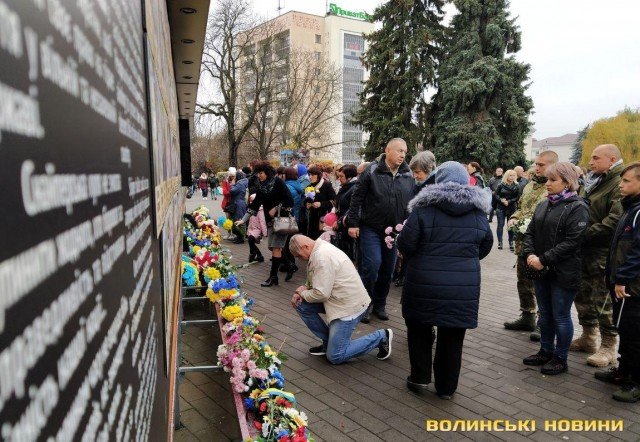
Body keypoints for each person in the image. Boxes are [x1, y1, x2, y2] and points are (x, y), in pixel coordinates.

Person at [397, 161, 493, 398]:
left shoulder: (424, 208)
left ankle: (419, 379)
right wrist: (465, 260)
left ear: (438, 180)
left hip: (423, 280)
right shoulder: (478, 212)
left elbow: (406, 244)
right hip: (462, 286)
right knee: (453, 337)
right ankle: (446, 388)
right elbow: (486, 244)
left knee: (419, 329)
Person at [521, 162, 590, 375]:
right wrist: (530, 254)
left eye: (553, 180)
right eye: (547, 179)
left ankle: (560, 358)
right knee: (546, 315)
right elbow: (530, 232)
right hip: (541, 269)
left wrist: (544, 259)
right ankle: (545, 350)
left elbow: (573, 242)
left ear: (568, 182)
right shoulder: (545, 204)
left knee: (560, 315)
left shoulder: (578, 207)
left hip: (563, 271)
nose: (548, 184)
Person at [288, 234, 393, 364]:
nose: (300, 259)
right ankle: (329, 342)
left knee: (335, 356)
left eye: (298, 255)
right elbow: (315, 279)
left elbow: (321, 294)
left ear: (305, 246)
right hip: (338, 301)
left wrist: (303, 293)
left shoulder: (322, 257)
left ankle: (381, 337)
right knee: (301, 304)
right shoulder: (318, 248)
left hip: (348, 308)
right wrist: (303, 290)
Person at [346, 138, 414, 322]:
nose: (402, 155)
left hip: (393, 232)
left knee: (388, 268)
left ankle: (380, 304)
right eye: (399, 150)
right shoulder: (372, 170)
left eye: (405, 152)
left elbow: (411, 203)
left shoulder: (408, 174)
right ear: (388, 150)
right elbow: (356, 198)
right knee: (372, 266)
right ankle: (364, 305)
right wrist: (353, 223)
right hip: (371, 228)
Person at [571, 144, 624, 367]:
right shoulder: (594, 180)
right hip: (585, 248)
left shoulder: (618, 182)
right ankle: (588, 336)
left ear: (612, 160)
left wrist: (584, 234)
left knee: (603, 298)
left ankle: (609, 345)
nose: (590, 162)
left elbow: (614, 219)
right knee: (582, 293)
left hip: (603, 251)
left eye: (595, 158)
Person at [596, 162, 640, 402]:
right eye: (621, 180)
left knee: (634, 334)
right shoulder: (630, 208)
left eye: (626, 181)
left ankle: (635, 382)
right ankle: (624, 371)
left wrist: (622, 279)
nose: (621, 185)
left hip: (632, 287)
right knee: (624, 328)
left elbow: (637, 251)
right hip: (623, 284)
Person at [504, 151, 559, 337]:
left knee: (542, 284)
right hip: (523, 243)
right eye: (536, 164)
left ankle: (543, 322)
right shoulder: (529, 185)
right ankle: (527, 315)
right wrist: (513, 218)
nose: (537, 167)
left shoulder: (555, 187)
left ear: (552, 165)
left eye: (541, 165)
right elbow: (521, 208)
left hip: (542, 246)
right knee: (524, 281)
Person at [236, 161, 294, 287]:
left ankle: (273, 277)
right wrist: (244, 220)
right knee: (274, 247)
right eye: (258, 173)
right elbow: (255, 204)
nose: (259, 176)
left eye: (261, 173)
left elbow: (289, 200)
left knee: (276, 248)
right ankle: (289, 266)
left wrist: (277, 208)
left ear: (267, 172)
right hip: (270, 221)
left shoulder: (278, 182)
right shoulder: (261, 186)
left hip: (281, 220)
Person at [282, 167, 304, 281]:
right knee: (289, 240)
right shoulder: (298, 185)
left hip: (287, 217)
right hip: (295, 216)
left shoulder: (287, 187)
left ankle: (290, 264)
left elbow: (284, 202)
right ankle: (290, 263)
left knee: (285, 243)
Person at [334, 164, 358, 261]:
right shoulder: (346, 186)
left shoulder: (354, 188)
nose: (339, 179)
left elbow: (352, 208)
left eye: (341, 176)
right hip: (342, 226)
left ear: (349, 177)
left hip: (347, 226)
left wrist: (340, 221)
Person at [304, 166, 336, 240]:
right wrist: (308, 204)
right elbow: (305, 202)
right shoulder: (309, 186)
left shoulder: (326, 185)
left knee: (321, 240)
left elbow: (334, 201)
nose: (310, 177)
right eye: (309, 175)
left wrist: (321, 204)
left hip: (323, 217)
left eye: (312, 175)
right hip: (311, 218)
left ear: (318, 176)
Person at [495, 169, 520, 251]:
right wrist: (501, 200)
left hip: (511, 207)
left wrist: (509, 201)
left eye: (514, 175)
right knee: (500, 225)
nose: (512, 177)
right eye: (510, 175)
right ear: (506, 176)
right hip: (501, 207)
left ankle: (511, 243)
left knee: (511, 226)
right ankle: (500, 242)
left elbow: (517, 197)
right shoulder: (501, 185)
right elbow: (496, 195)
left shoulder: (517, 185)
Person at [228, 171, 248, 244]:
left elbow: (232, 191)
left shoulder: (239, 183)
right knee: (239, 219)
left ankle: (241, 237)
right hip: (241, 203)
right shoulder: (244, 182)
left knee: (238, 220)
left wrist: (232, 185)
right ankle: (240, 236)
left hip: (238, 203)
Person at [246, 194, 267, 263]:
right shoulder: (250, 209)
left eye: (253, 201)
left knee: (250, 240)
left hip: (257, 229)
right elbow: (249, 219)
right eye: (250, 201)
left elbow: (262, 222)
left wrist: (264, 233)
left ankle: (252, 253)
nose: (251, 202)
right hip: (251, 228)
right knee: (251, 242)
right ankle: (259, 256)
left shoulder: (260, 210)